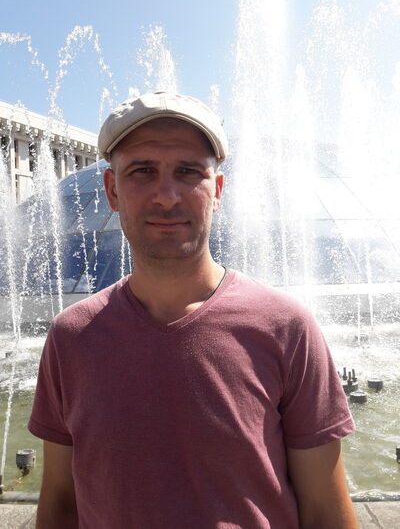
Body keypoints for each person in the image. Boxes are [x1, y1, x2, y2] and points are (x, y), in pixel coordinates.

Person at [29, 91, 358, 529]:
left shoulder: (286, 327)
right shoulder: (72, 336)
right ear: (111, 190)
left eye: (188, 172)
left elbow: (325, 508)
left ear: (217, 190)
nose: (167, 197)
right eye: (143, 171)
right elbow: (59, 501)